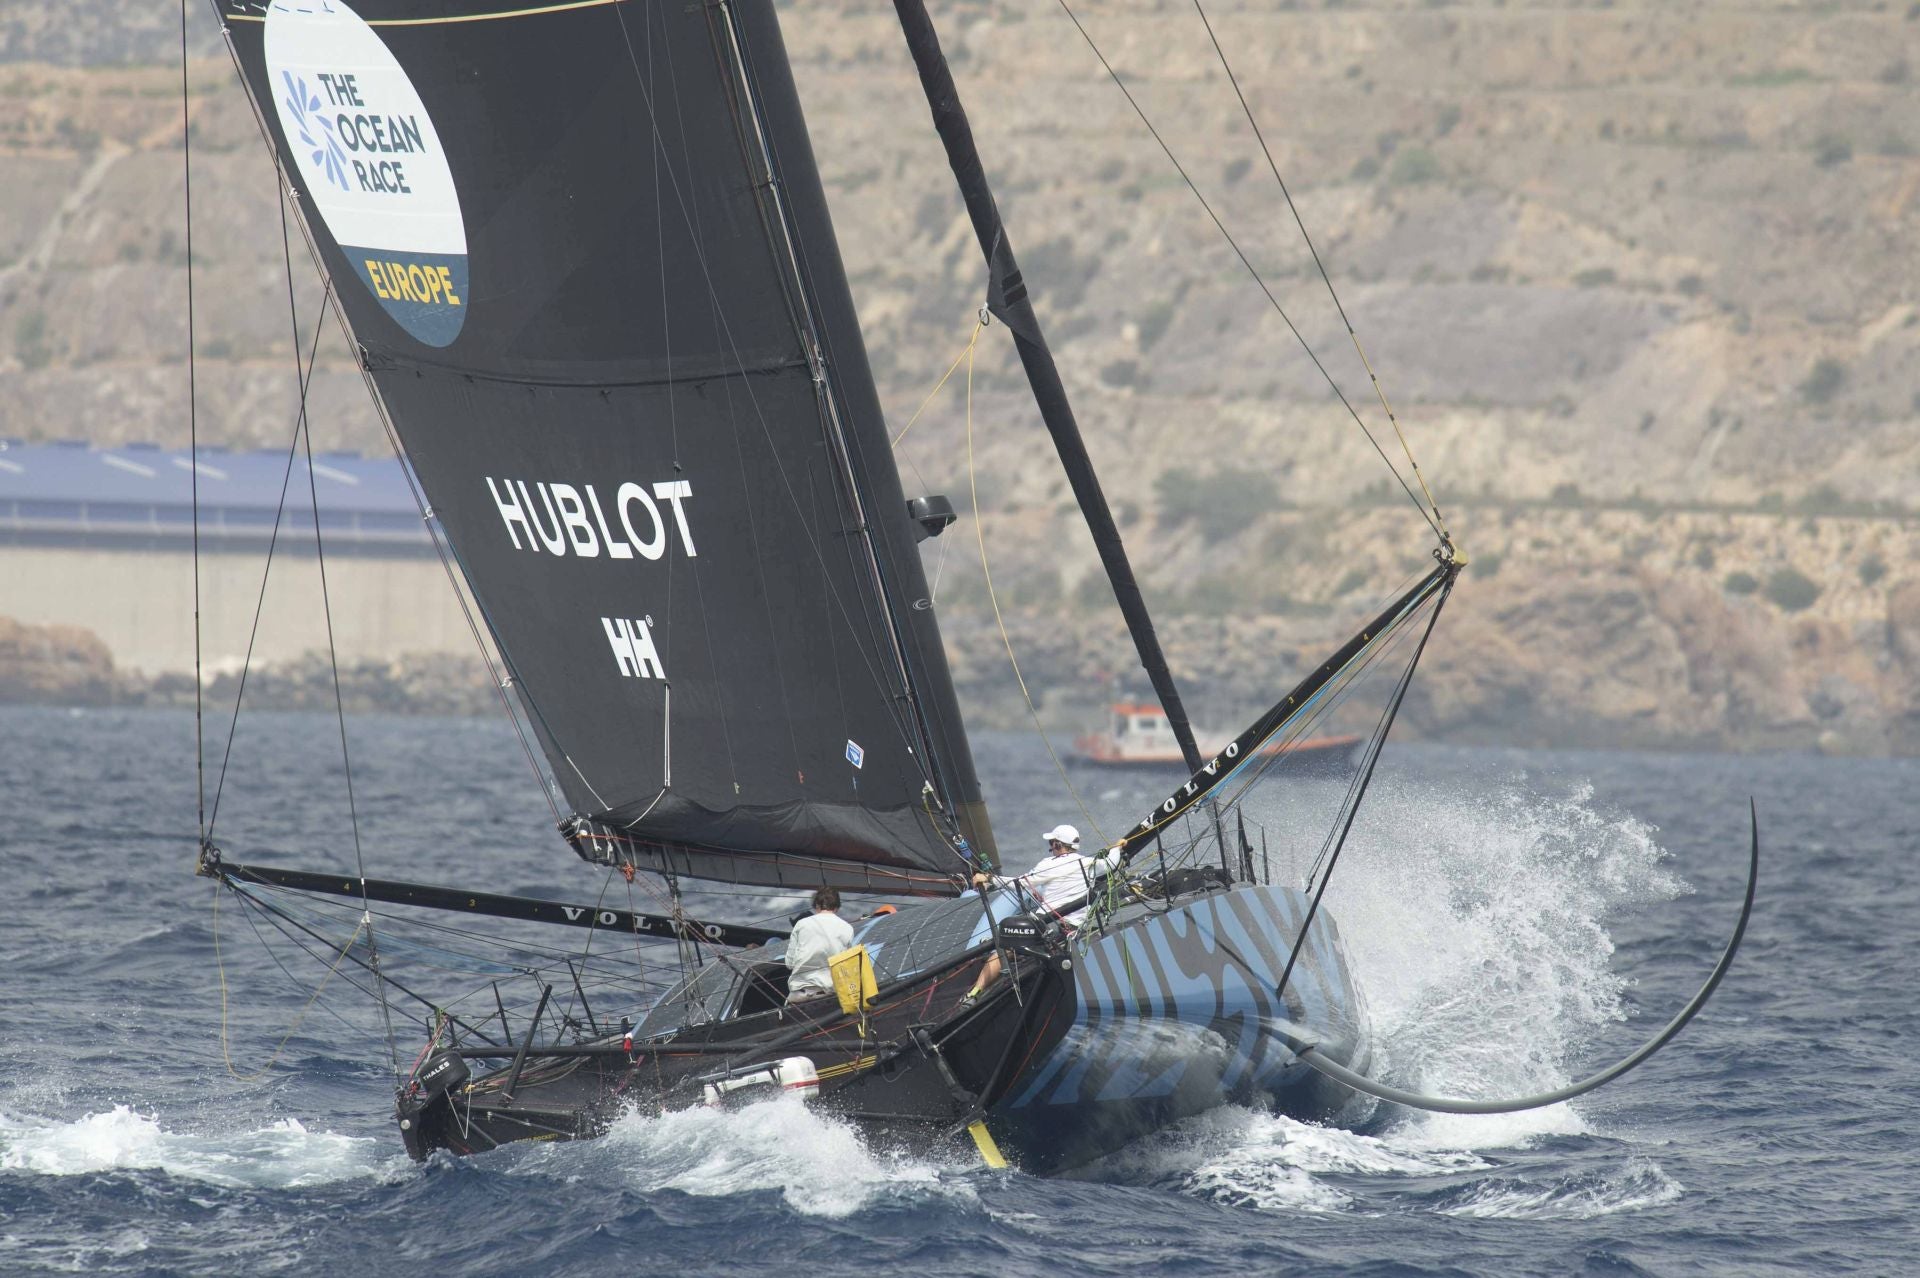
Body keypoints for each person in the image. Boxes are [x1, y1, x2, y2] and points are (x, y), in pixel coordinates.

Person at [958, 824, 1117, 1007]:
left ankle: (974, 993)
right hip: (1074, 929)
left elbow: (1021, 882)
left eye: (1052, 843)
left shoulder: (1048, 865)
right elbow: (1112, 863)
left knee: (1002, 948)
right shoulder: (1090, 863)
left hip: (1047, 925)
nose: (1050, 847)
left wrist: (989, 878)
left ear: (1058, 845)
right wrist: (1117, 848)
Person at [785, 887, 855, 1004]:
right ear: (837, 907)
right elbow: (847, 966)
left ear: (816, 905)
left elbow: (789, 964)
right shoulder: (848, 928)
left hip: (799, 996)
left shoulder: (801, 924)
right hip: (830, 996)